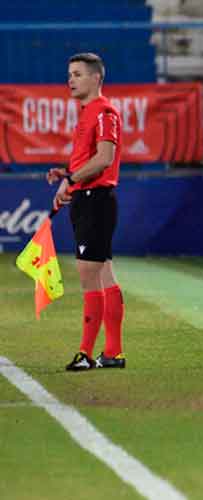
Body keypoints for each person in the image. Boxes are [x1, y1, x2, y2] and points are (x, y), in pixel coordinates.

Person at [46, 53, 125, 372]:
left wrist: (71, 180)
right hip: (87, 197)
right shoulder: (87, 112)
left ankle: (86, 352)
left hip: (96, 199)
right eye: (69, 74)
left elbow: (105, 158)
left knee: (88, 274)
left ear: (96, 78)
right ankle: (113, 353)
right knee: (103, 273)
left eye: (77, 74)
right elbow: (87, 161)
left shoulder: (105, 112)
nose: (71, 79)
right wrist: (67, 175)